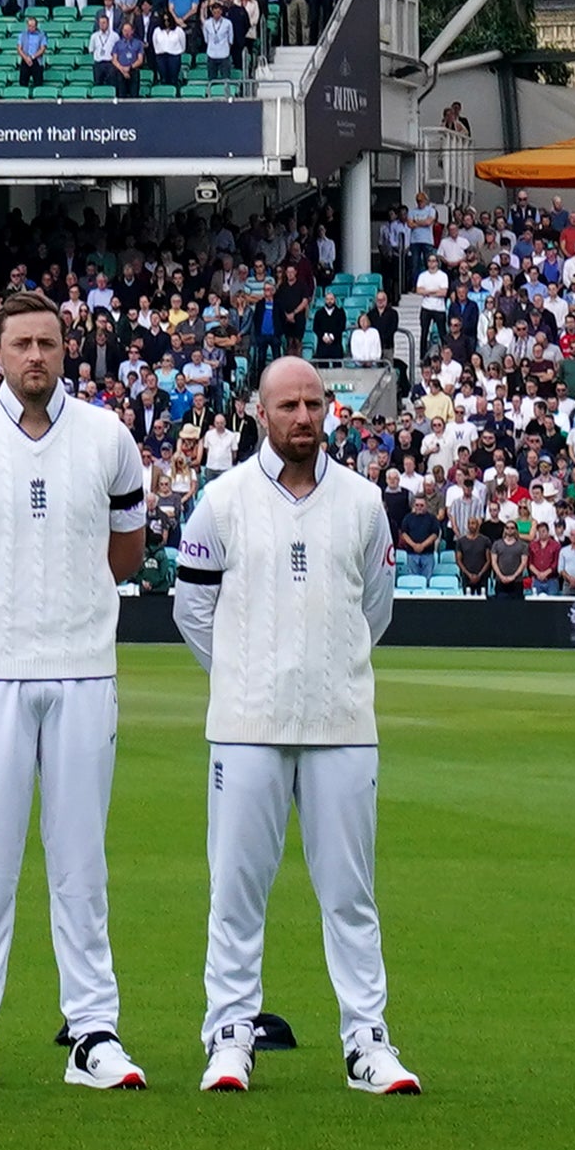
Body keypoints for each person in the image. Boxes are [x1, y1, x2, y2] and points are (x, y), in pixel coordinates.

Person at [0, 287, 152, 1092]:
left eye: (48, 343)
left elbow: (126, 547)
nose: (36, 357)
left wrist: (76, 605)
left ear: (65, 347)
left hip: (83, 669)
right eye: (21, 345)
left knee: (80, 860)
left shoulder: (108, 436)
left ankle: (93, 1032)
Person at [179, 355, 414, 1098]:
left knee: (349, 893)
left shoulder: (363, 501)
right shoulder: (221, 500)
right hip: (246, 725)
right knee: (236, 890)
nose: (304, 416)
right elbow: (191, 610)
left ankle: (366, 1041)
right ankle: (227, 1035)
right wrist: (247, 674)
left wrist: (328, 669)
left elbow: (373, 608)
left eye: (314, 403)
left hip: (342, 723)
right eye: (289, 405)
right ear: (259, 411)